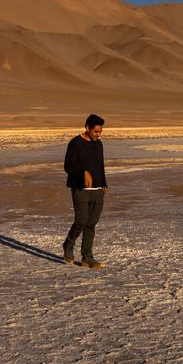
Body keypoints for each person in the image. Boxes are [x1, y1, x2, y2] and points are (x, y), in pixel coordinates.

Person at [62, 114, 108, 268]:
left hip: (97, 190)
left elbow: (100, 166)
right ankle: (68, 245)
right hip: (80, 188)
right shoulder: (75, 143)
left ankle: (87, 257)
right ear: (87, 128)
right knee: (81, 220)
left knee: (91, 223)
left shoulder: (99, 144)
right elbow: (68, 166)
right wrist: (83, 172)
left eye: (100, 131)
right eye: (96, 131)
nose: (98, 134)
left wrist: (103, 184)